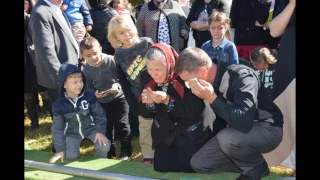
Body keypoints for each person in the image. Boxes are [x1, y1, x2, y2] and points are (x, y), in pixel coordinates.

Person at [174, 47, 284, 180]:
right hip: (235, 131)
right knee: (200, 163)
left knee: (226, 138)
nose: (188, 86)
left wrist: (212, 98)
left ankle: (255, 168)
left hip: (268, 128)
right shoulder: (208, 82)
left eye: (188, 82)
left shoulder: (241, 76)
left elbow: (244, 122)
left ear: (202, 71)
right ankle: (249, 164)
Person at [139, 43, 225, 172]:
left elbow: (194, 112)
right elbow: (143, 112)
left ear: (169, 65)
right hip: (166, 129)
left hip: (193, 128)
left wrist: (168, 100)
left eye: (158, 70)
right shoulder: (146, 76)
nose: (153, 74)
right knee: (161, 167)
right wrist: (150, 103)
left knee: (190, 167)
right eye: (150, 69)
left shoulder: (185, 75)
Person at [107, 15, 155, 164]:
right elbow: (124, 82)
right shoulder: (119, 55)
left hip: (157, 92)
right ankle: (148, 156)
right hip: (139, 98)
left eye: (128, 30)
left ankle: (167, 150)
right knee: (145, 128)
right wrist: (133, 104)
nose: (127, 35)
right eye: (121, 33)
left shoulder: (146, 43)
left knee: (164, 123)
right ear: (115, 37)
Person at [81, 37, 132, 160]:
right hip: (102, 101)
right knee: (107, 126)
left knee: (122, 123)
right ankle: (110, 150)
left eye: (95, 53)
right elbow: (87, 87)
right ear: (82, 56)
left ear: (100, 49)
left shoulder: (112, 60)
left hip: (120, 98)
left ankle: (126, 151)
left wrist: (117, 85)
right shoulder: (85, 69)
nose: (93, 58)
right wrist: (95, 94)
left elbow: (122, 77)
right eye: (88, 56)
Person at [50, 64, 110, 164]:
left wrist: (100, 131)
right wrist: (60, 149)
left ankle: (99, 162)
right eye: (75, 82)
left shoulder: (89, 96)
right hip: (71, 133)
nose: (79, 85)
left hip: (91, 129)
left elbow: (100, 115)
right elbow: (57, 128)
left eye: (81, 81)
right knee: (70, 156)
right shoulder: (58, 105)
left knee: (104, 146)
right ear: (64, 84)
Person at [262, 0, 295, 172]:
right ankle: (289, 161)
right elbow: (274, 31)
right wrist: (292, 5)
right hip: (290, 62)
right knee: (287, 109)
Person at [24, 0, 51, 131]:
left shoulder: (32, 18)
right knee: (27, 93)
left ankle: (50, 114)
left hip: (34, 58)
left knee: (43, 89)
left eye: (25, 3)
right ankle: (34, 121)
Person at [201, 11, 238, 86]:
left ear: (226, 27)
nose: (216, 31)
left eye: (220, 28)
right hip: (208, 84)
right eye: (213, 28)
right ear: (209, 28)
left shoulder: (230, 47)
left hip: (225, 85)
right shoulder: (204, 46)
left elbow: (235, 69)